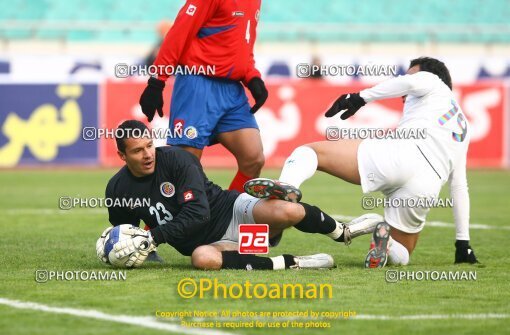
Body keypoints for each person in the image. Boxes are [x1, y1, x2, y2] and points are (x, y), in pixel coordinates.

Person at [244, 57, 479, 268]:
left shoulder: (432, 81)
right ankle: (385, 244)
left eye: (412, 74)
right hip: (426, 186)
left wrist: (360, 97)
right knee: (403, 251)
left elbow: (408, 84)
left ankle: (286, 187)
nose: (406, 83)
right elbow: (459, 186)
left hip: (400, 155)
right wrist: (462, 242)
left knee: (309, 152)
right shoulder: (463, 127)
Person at [96, 120, 383, 270]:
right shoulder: (117, 189)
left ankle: (342, 233)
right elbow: (125, 228)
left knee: (289, 212)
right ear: (122, 155)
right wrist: (138, 249)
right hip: (213, 245)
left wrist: (154, 237)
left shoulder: (177, 160)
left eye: (149, 145)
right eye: (137, 150)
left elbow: (199, 213)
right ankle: (294, 262)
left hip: (232, 211)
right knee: (202, 260)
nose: (148, 154)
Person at [139, 0, 268, 193]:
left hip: (232, 90)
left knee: (253, 158)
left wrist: (253, 78)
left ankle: (232, 217)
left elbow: (242, 45)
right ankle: (155, 224)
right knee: (184, 167)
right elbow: (179, 33)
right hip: (197, 84)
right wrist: (157, 80)